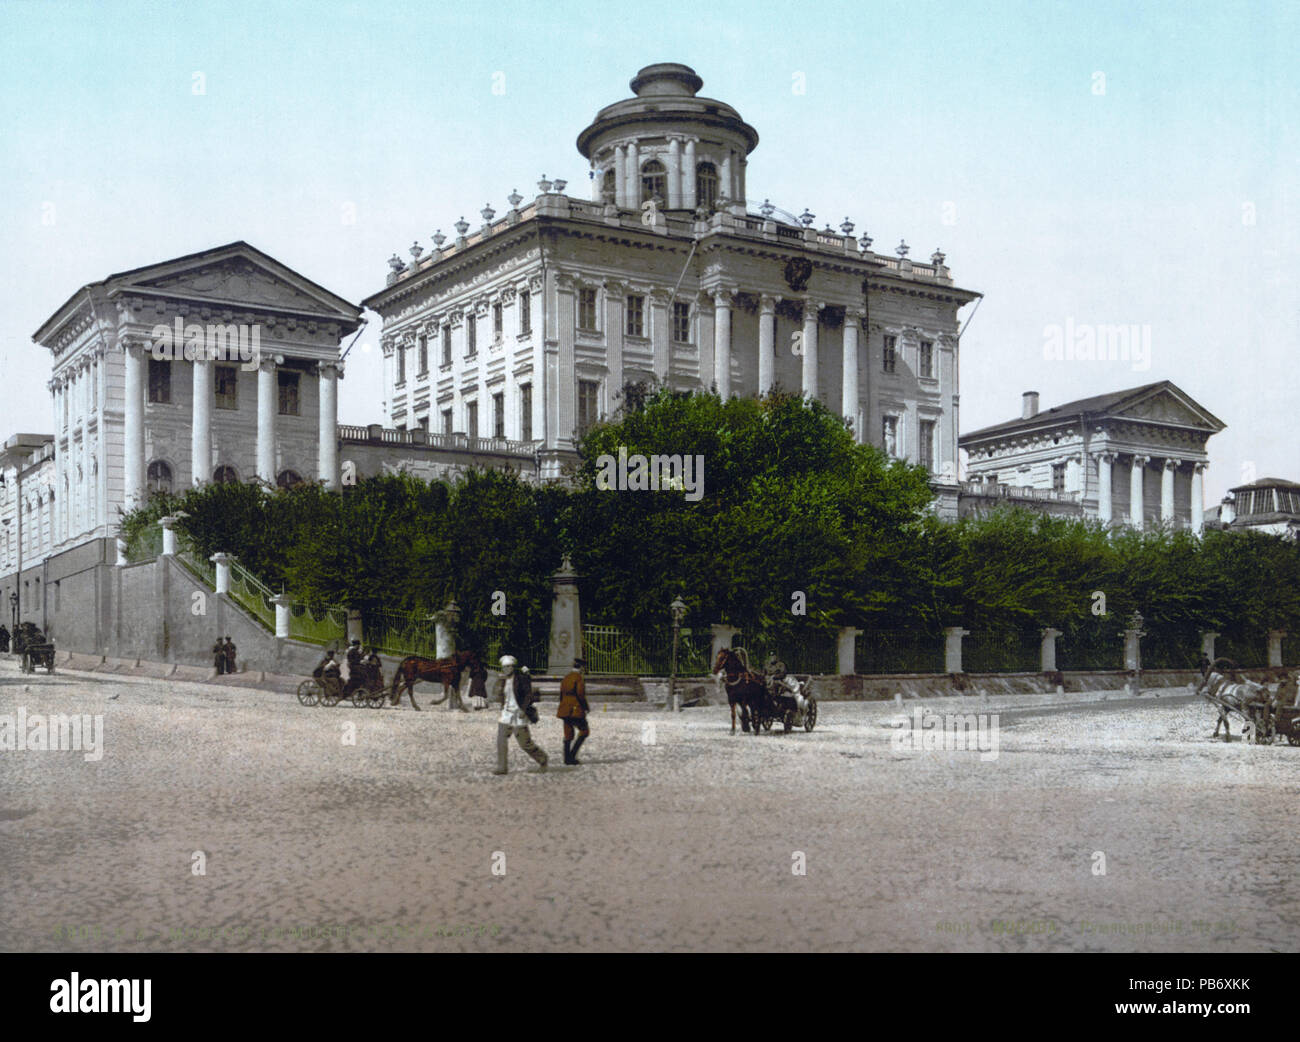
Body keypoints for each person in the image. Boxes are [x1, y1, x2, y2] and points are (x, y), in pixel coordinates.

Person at [490, 655, 547, 775]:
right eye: (505, 667)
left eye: (509, 666)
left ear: (513, 667)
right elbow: (502, 696)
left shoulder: (521, 678)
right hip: (506, 714)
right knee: (501, 741)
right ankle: (502, 767)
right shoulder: (503, 681)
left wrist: (523, 709)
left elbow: (528, 695)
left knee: (525, 744)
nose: (507, 669)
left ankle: (542, 759)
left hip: (519, 714)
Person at [558, 657, 591, 765]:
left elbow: (561, 694)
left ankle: (567, 758)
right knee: (584, 731)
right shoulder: (579, 678)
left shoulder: (566, 677)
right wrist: (586, 707)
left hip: (564, 709)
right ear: (581, 667)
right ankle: (572, 755)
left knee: (568, 734)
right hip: (575, 709)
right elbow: (580, 694)